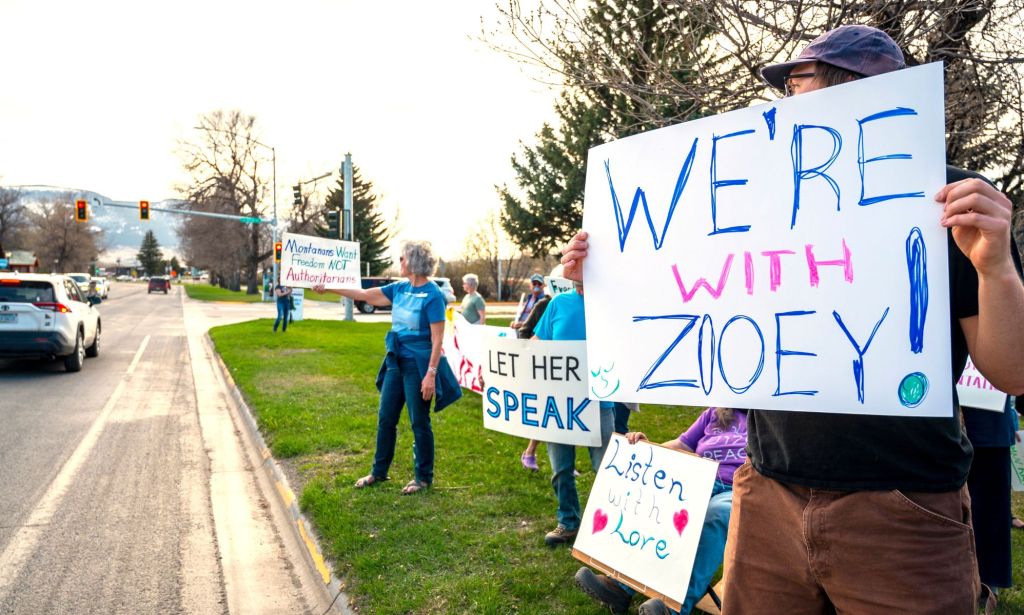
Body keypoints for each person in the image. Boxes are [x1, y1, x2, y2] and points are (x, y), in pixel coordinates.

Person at [560, 25, 1024, 614]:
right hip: (768, 492)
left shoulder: (948, 201)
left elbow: (1012, 373)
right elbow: (690, 290)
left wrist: (997, 268)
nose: (786, 100)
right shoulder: (752, 200)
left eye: (797, 83)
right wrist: (607, 280)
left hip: (901, 503)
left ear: (852, 92)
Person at [313, 240, 461, 495]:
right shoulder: (400, 289)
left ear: (413, 262)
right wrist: (329, 288)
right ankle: (379, 472)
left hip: (419, 365)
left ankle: (423, 478)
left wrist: (431, 374)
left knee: (419, 422)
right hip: (396, 361)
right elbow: (364, 295)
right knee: (386, 418)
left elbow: (438, 339)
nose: (399, 262)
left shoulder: (434, 295)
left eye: (402, 258)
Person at [575, 407, 747, 615]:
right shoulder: (716, 412)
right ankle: (621, 588)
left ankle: (673, 608)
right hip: (697, 481)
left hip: (738, 487)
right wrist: (646, 451)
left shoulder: (769, 420)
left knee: (717, 514)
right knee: (662, 500)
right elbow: (681, 444)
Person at [532, 279, 615, 546]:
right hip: (559, 403)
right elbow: (536, 344)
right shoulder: (558, 303)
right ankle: (568, 523)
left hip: (599, 402)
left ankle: (610, 526)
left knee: (606, 468)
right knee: (561, 468)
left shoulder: (610, 303)